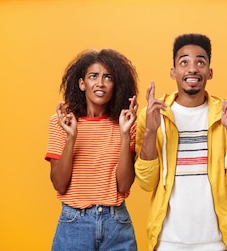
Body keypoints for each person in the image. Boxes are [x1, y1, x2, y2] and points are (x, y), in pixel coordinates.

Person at [134, 33, 227, 251]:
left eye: (200, 61)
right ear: (173, 72)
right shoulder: (152, 115)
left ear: (209, 72)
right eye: (184, 62)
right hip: (167, 242)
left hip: (216, 243)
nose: (192, 68)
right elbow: (146, 182)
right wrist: (151, 131)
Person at [45, 48, 139, 251]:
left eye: (108, 77)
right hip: (74, 223)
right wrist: (71, 137)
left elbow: (123, 186)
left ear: (116, 85)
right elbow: (59, 185)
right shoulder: (61, 123)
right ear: (81, 83)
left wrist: (124, 135)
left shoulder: (126, 123)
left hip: (117, 224)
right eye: (93, 76)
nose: (100, 83)